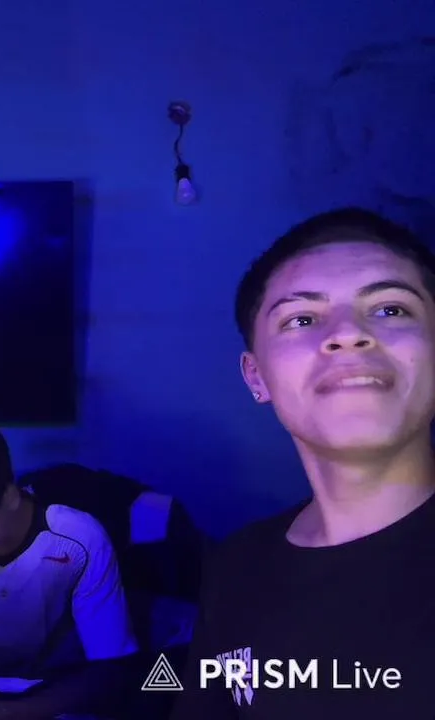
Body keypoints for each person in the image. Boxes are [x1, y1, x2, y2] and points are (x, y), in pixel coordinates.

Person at [170, 208, 435, 718]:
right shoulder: (237, 565)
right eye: (302, 319)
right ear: (257, 377)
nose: (348, 334)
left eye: (390, 309)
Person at [0, 422, 139, 720]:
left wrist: (4, 713)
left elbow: (109, 665)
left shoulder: (79, 539)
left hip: (57, 695)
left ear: (10, 496)